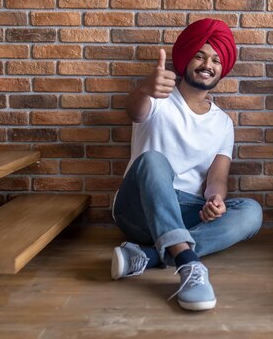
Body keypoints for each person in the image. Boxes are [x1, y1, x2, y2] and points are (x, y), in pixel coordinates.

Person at [111, 18, 263, 311]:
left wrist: (214, 199)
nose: (208, 64)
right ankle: (187, 263)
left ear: (222, 69)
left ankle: (149, 256)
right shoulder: (158, 98)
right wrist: (144, 89)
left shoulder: (222, 123)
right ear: (186, 58)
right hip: (138, 209)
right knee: (154, 161)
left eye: (216, 60)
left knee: (251, 212)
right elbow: (134, 110)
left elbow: (217, 178)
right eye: (200, 55)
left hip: (184, 213)